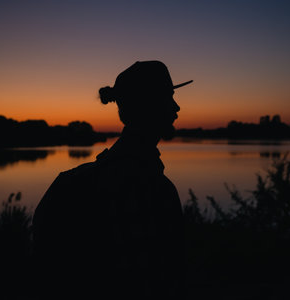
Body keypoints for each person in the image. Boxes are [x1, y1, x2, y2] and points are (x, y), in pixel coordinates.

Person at [32, 61, 192, 299]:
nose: (176, 107)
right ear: (148, 105)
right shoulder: (156, 189)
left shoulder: (70, 183)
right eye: (168, 97)